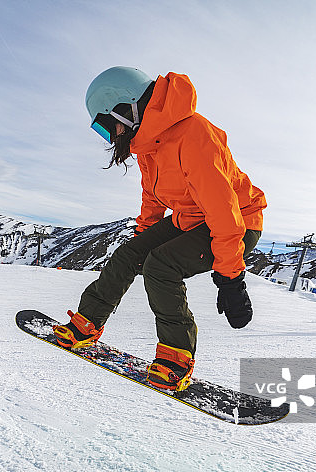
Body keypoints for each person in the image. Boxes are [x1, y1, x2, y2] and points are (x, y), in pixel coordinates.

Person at [53, 66, 267, 392]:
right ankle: (87, 323)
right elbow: (152, 197)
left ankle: (176, 355)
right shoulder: (147, 143)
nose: (111, 136)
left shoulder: (194, 135)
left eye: (107, 125)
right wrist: (144, 235)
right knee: (129, 254)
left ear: (128, 108)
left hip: (238, 221)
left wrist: (231, 280)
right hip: (192, 217)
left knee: (160, 265)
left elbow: (224, 213)